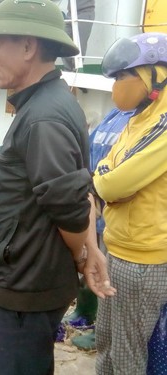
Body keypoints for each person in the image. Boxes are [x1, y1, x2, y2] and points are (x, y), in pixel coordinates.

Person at [0, 1, 115, 374]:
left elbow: (68, 205)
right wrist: (91, 248)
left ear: (29, 47)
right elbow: (82, 190)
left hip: (26, 287)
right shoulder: (51, 103)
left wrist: (85, 256)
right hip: (32, 279)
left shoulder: (43, 117)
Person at [93, 32, 167, 374]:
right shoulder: (139, 120)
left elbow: (112, 182)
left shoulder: (163, 126)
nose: (117, 85)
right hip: (119, 248)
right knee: (106, 340)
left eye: (125, 76)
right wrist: (108, 178)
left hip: (143, 261)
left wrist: (109, 180)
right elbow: (105, 168)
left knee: (127, 354)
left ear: (156, 75)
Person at [64, 108, 132, 351]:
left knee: (109, 278)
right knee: (90, 269)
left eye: (124, 76)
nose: (118, 83)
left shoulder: (149, 120)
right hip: (96, 209)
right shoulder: (114, 115)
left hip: (122, 219)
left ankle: (101, 332)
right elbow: (88, 154)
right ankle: (85, 313)